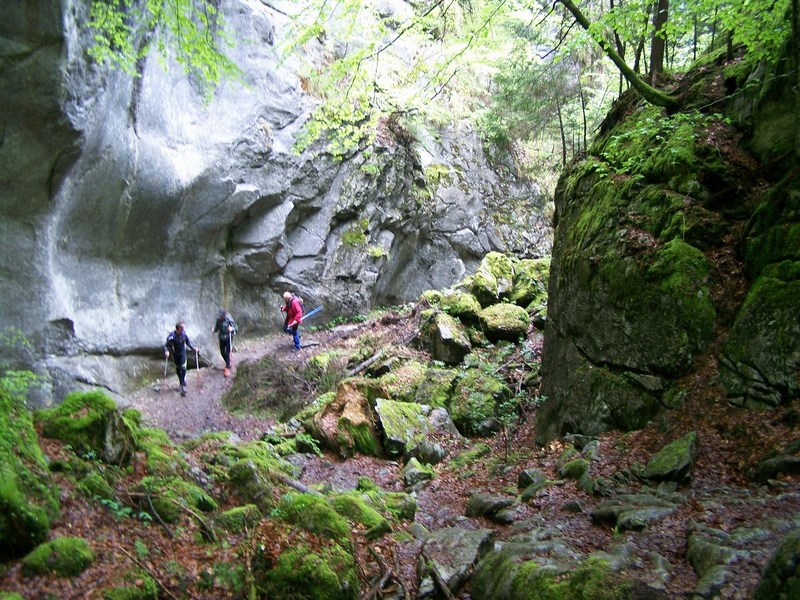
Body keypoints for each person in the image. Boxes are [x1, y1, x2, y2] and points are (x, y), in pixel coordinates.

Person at [163, 322, 199, 396]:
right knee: (178, 369)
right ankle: (181, 383)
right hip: (175, 354)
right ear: (178, 329)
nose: (184, 330)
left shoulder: (184, 334)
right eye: (182, 328)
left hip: (182, 353)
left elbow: (188, 343)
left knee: (183, 368)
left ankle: (183, 385)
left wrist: (193, 348)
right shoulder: (172, 336)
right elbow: (165, 345)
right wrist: (166, 351)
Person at [211, 308, 238, 377]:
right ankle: (228, 363)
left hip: (228, 337)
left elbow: (235, 327)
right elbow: (217, 328)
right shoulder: (218, 320)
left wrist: (232, 329)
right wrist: (214, 330)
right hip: (221, 337)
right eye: (219, 316)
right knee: (222, 352)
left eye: (221, 316)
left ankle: (228, 367)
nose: (219, 317)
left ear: (224, 315)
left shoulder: (229, 319)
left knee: (227, 352)